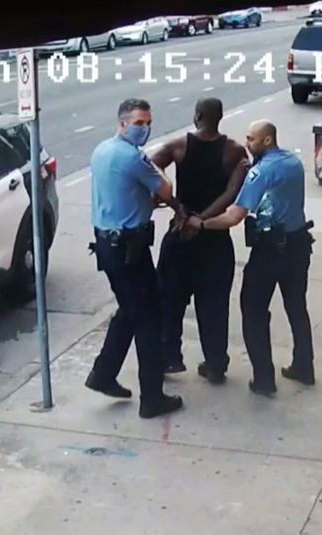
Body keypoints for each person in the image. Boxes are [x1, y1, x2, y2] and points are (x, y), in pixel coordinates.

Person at [183, 120, 314, 397]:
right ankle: (304, 366)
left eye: (251, 139)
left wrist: (201, 223)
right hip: (299, 245)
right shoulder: (293, 162)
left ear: (267, 141)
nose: (247, 144)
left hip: (269, 251)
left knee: (253, 311)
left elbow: (234, 215)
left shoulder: (262, 171)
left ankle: (264, 378)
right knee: (296, 307)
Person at [84, 98, 185, 418]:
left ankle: (103, 374)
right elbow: (166, 189)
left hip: (109, 246)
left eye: (148, 123)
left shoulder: (102, 150)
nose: (145, 128)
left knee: (131, 309)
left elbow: (124, 191)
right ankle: (152, 398)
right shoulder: (132, 158)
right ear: (122, 123)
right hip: (129, 251)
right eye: (139, 123)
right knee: (148, 321)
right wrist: (151, 167)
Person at [150, 98, 250, 384]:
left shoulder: (178, 146)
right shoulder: (233, 151)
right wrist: (203, 221)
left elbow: (151, 170)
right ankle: (216, 364)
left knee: (170, 301)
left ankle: (170, 357)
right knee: (214, 306)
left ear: (197, 116)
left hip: (179, 236)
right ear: (220, 117)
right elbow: (231, 194)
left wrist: (179, 208)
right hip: (215, 239)